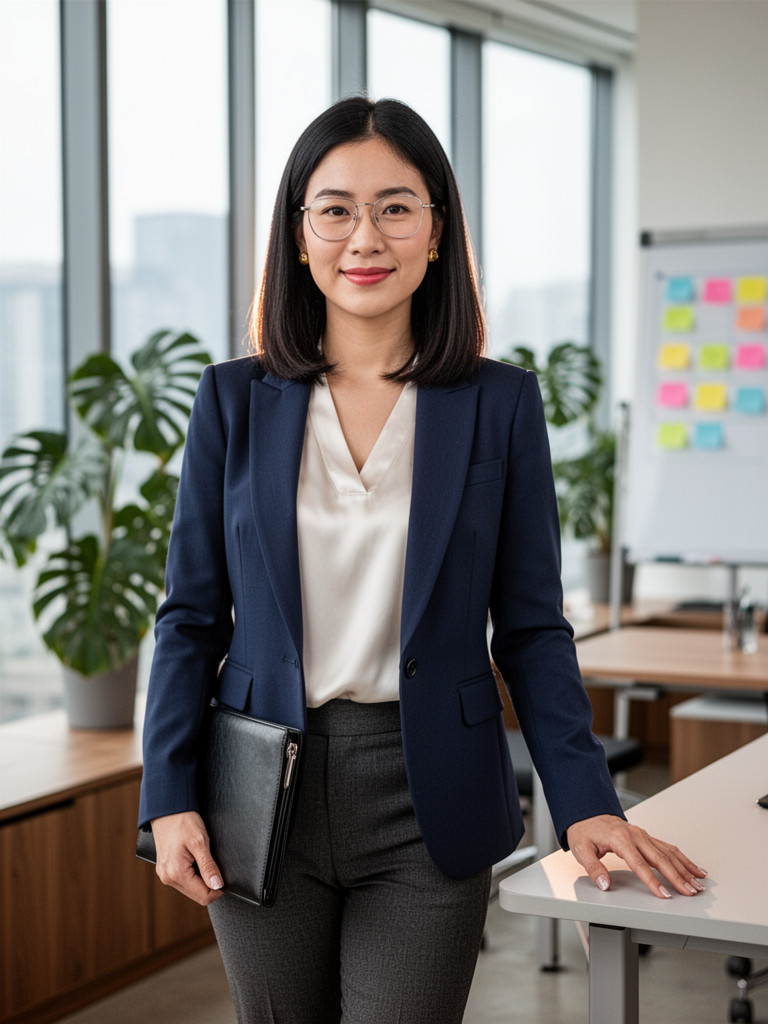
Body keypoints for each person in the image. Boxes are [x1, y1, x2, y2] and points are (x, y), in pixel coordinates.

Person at [139, 97, 705, 1024]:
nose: (366, 236)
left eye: (397, 207)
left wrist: (585, 800)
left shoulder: (498, 404)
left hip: (428, 793)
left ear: (437, 232)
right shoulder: (233, 401)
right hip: (256, 787)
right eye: (336, 209)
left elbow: (531, 628)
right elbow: (191, 617)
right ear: (299, 234)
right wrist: (166, 796)